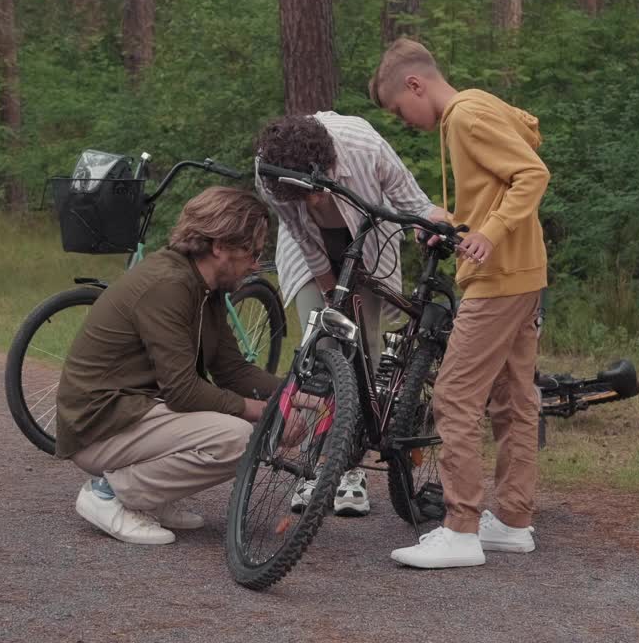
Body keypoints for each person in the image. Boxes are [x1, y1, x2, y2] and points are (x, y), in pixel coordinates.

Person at [369, 38, 551, 568]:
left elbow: (530, 174)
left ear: (415, 85)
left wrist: (489, 235)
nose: (407, 121)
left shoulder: (466, 117)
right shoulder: (480, 106)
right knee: (515, 400)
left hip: (498, 279)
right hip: (523, 271)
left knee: (453, 396)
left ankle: (461, 528)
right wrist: (455, 224)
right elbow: (497, 187)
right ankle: (514, 522)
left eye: (402, 111)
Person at [55, 187, 282, 545]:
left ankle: (148, 498)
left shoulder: (205, 287)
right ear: (219, 246)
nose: (255, 264)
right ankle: (109, 494)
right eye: (251, 252)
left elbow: (232, 371)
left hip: (131, 412)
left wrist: (296, 394)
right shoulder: (170, 285)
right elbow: (182, 390)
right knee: (240, 437)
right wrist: (262, 411)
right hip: (98, 424)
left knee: (244, 424)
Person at [254, 112, 447, 517]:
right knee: (322, 346)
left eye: (314, 191)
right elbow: (304, 239)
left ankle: (350, 469)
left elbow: (416, 203)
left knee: (365, 354)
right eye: (299, 195)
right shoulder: (269, 172)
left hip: (368, 238)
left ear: (327, 165)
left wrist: (438, 226)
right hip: (311, 250)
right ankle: (314, 467)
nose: (311, 201)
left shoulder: (364, 146)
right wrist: (331, 296)